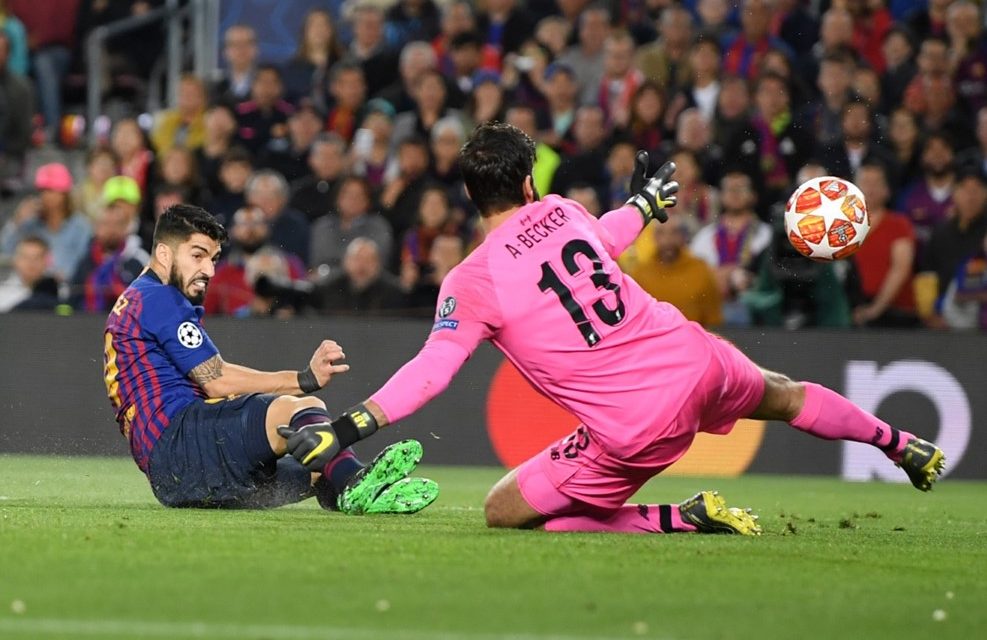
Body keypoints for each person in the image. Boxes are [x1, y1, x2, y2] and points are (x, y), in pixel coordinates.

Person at [279, 123, 945, 536]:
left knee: (505, 511)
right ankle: (900, 443)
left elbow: (432, 371)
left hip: (636, 425)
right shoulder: (563, 212)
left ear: (471, 194)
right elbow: (607, 234)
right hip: (696, 358)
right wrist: (645, 204)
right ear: (528, 182)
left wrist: (347, 428)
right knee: (786, 394)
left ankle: (677, 518)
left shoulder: (470, 281)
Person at [102, 203, 437, 512]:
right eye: (198, 255)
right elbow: (216, 380)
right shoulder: (159, 298)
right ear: (163, 253)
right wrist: (303, 379)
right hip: (182, 441)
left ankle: (347, 491)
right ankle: (354, 480)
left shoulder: (137, 298)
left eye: (213, 259)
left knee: (316, 462)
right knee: (300, 409)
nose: (209, 270)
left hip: (173, 479)